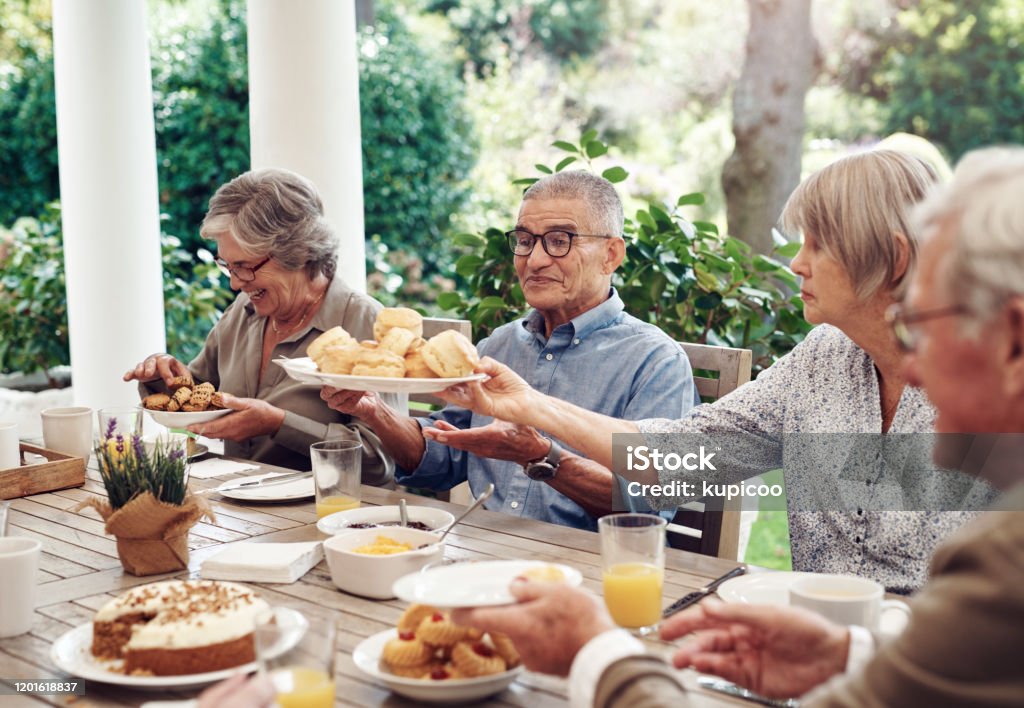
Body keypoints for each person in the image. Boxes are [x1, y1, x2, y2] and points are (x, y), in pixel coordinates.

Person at [450, 146, 1024, 707]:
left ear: (892, 259)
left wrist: (594, 651)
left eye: (818, 244)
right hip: (831, 665)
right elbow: (683, 460)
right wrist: (530, 405)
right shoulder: (822, 357)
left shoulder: (989, 417)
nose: (796, 263)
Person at [321, 170, 698, 530]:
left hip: (593, 564)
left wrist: (540, 456)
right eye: (525, 240)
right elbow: (442, 458)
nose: (534, 260)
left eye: (559, 240)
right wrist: (373, 409)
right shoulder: (499, 345)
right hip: (484, 552)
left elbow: (651, 505)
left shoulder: (655, 362)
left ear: (611, 255)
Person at [125, 168, 392, 481]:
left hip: (328, 506)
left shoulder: (364, 322)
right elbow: (198, 395)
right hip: (234, 500)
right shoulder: (243, 311)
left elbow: (380, 462)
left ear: (298, 252)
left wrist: (279, 424)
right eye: (227, 266)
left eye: (245, 266)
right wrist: (164, 378)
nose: (236, 284)